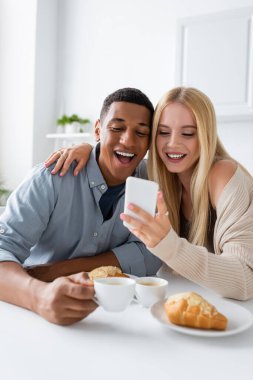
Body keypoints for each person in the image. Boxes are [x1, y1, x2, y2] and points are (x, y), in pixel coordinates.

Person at [51, 87, 253, 301]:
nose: (173, 143)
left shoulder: (222, 174)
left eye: (188, 133)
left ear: (205, 136)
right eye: (163, 132)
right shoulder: (153, 176)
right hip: (183, 300)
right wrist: (91, 150)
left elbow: (244, 281)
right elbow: (118, 152)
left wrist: (168, 244)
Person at [0, 88, 161, 325]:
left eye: (141, 132)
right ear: (98, 129)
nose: (128, 140)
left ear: (149, 142)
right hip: (32, 311)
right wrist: (39, 296)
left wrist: (56, 270)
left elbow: (150, 255)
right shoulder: (52, 177)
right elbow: (4, 248)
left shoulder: (153, 183)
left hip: (121, 319)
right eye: (117, 128)